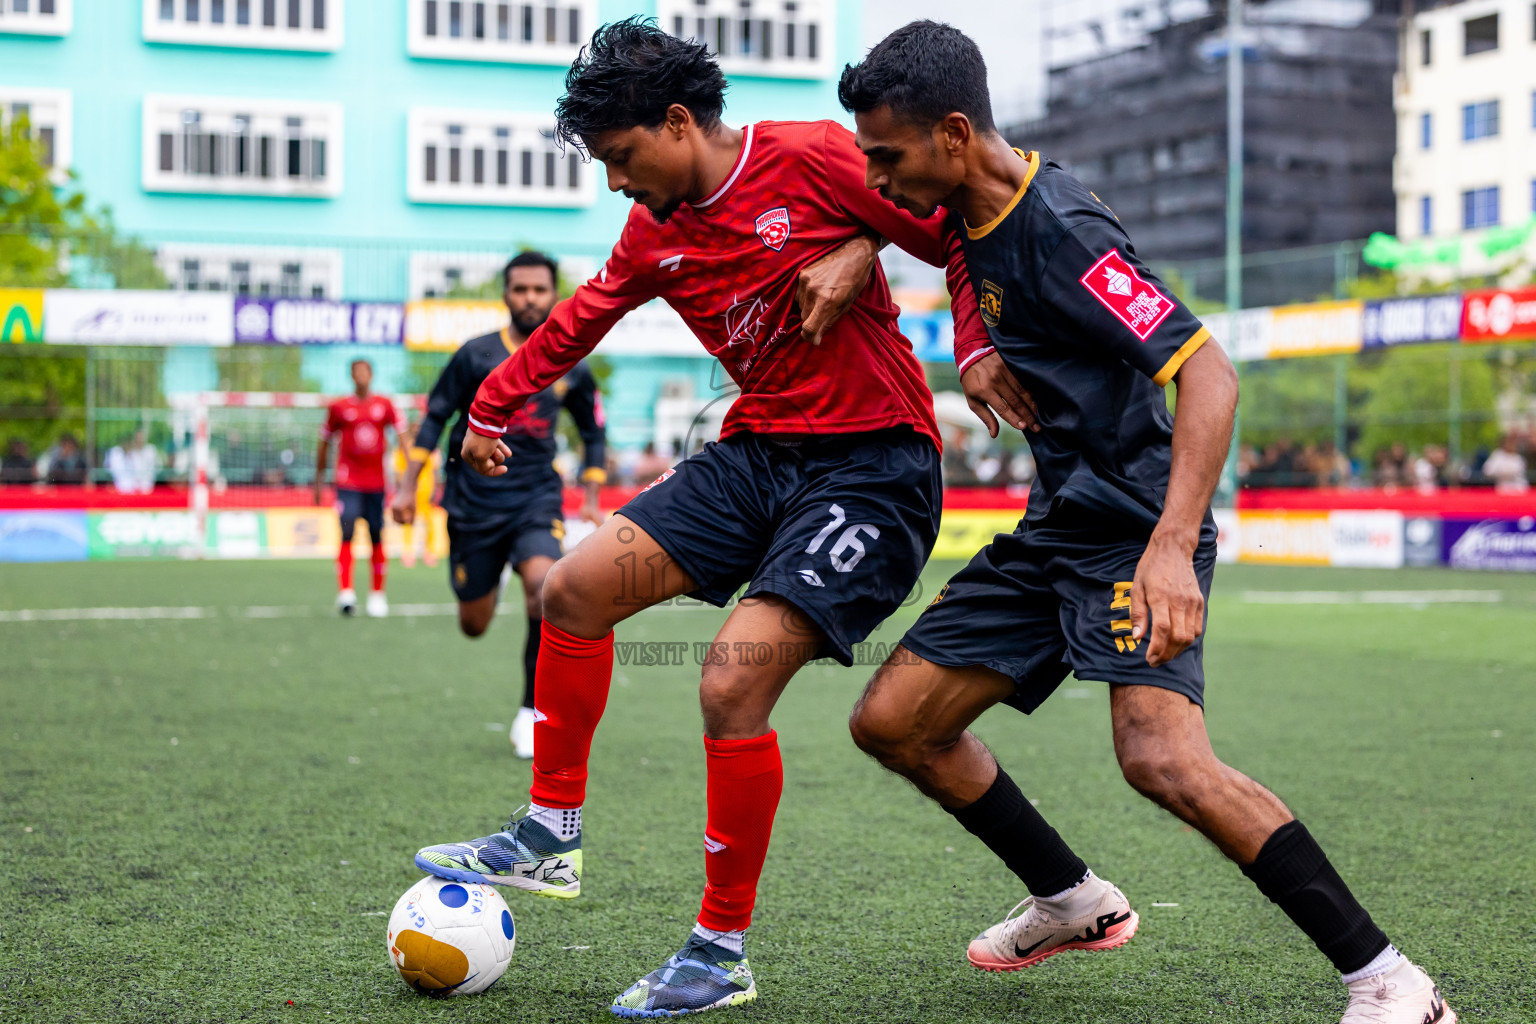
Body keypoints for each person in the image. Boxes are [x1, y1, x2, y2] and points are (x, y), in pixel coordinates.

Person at [412, 18, 1037, 1018]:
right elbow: (580, 317)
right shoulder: (653, 230)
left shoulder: (814, 156)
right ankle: (550, 831)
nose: (617, 182)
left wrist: (940, 317)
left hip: (875, 465)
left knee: (729, 680)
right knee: (572, 589)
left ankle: (718, 949)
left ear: (675, 121)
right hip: (755, 455)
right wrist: (487, 409)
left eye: (622, 158)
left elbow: (959, 223)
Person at [837, 21, 1453, 1024]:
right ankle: (1072, 900)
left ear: (955, 134)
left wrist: (1170, 546)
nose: (876, 176)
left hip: (1133, 526)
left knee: (1163, 760)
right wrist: (970, 333)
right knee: (894, 721)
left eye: (888, 157)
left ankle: (1393, 983)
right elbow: (942, 239)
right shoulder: (964, 200)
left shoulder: (1064, 231)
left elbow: (1208, 369)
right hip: (1058, 526)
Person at [391, 251, 607, 760]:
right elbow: (434, 419)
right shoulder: (475, 355)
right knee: (474, 624)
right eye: (519, 289)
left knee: (546, 590)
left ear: (554, 294)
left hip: (536, 497)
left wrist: (593, 498)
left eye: (539, 289)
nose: (529, 298)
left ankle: (531, 710)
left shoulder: (571, 362)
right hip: (472, 504)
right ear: (506, 294)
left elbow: (594, 432)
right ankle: (495, 570)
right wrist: (406, 487)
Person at [315, 359, 404, 618]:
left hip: (376, 483)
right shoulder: (339, 407)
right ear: (352, 377)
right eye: (357, 372)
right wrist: (318, 480)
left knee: (377, 534)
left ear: (372, 375)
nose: (361, 376)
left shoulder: (385, 405)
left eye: (365, 372)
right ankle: (346, 593)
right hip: (347, 481)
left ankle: (377, 595)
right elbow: (324, 443)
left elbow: (402, 438)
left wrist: (408, 473)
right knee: (347, 529)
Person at [390, 418, 442, 569]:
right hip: (410, 490)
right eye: (415, 427)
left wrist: (436, 488)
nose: (418, 430)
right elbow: (398, 470)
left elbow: (435, 469)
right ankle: (408, 552)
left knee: (429, 521)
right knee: (408, 521)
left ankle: (429, 552)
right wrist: (401, 488)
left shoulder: (430, 445)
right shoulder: (403, 447)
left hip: (426, 489)